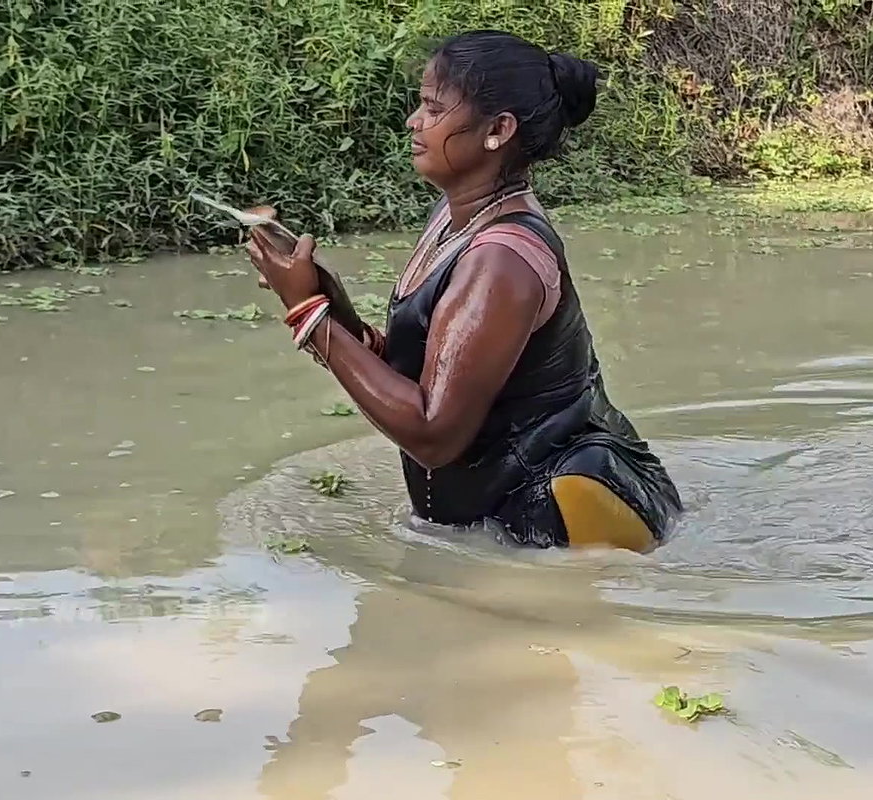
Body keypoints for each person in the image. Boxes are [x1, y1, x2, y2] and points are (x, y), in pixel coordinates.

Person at [245, 30, 681, 551]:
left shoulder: (501, 260)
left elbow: (434, 433)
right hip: (498, 517)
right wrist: (330, 305)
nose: (414, 120)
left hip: (564, 516)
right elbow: (424, 371)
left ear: (497, 129)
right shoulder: (456, 220)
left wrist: (308, 313)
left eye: (433, 107)